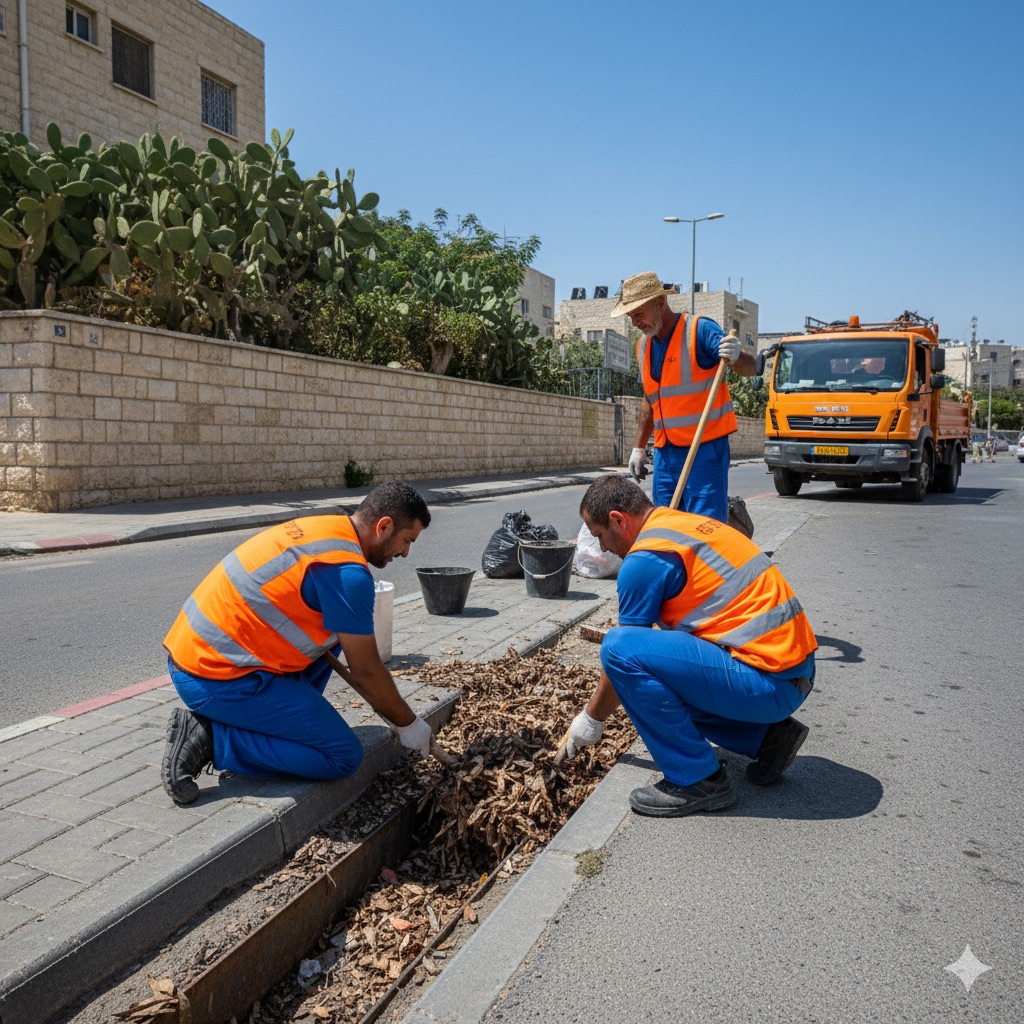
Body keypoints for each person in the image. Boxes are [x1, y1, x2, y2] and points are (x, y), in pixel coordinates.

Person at [160, 481, 435, 805]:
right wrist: (409, 724)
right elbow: (367, 672)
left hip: (197, 652)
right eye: (406, 541)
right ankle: (211, 738)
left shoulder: (329, 528)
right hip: (213, 677)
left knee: (337, 634)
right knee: (342, 756)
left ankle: (270, 722)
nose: (405, 553)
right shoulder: (347, 573)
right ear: (384, 527)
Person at [562, 475, 817, 817]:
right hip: (792, 673)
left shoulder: (644, 560)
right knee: (662, 669)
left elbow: (624, 658)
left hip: (768, 684)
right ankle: (768, 739)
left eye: (600, 536)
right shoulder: (683, 524)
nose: (603, 548)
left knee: (617, 647)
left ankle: (697, 780)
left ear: (619, 520)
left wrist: (590, 720)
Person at [616, 271, 756, 522]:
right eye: (630, 316)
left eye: (638, 313)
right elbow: (649, 399)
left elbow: (749, 368)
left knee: (705, 526)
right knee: (666, 525)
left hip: (704, 448)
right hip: (665, 452)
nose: (635, 322)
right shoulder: (644, 345)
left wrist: (737, 355)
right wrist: (638, 447)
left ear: (660, 303)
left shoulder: (699, 330)